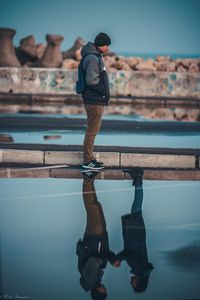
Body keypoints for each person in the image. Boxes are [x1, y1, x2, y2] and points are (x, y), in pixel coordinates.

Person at [76, 170, 118, 300]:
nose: (105, 289)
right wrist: (111, 259)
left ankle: (87, 178)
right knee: (96, 206)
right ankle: (90, 179)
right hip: (99, 235)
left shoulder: (90, 278)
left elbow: (95, 260)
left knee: (92, 207)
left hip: (94, 236)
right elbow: (101, 258)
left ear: (98, 292)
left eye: (104, 292)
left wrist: (109, 260)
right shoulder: (96, 279)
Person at [116, 169, 154, 293]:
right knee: (137, 207)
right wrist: (118, 259)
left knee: (136, 207)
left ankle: (137, 178)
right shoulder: (138, 270)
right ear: (137, 284)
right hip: (135, 234)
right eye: (132, 285)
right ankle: (138, 178)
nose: (130, 282)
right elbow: (129, 254)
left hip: (137, 234)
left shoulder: (142, 270)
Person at [80, 32, 111, 170]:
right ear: (101, 45)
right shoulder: (93, 58)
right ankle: (88, 160)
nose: (108, 48)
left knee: (93, 130)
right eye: (106, 45)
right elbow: (92, 81)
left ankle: (90, 159)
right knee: (92, 130)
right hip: (94, 100)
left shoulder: (96, 56)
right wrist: (103, 91)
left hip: (95, 99)